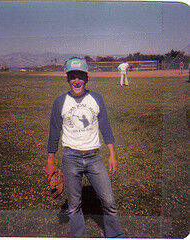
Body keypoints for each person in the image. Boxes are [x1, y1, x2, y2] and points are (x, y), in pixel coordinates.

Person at [45, 57, 124, 238]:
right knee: (74, 206)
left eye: (80, 76)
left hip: (94, 157)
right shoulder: (60, 102)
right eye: (72, 76)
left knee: (109, 201)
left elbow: (105, 127)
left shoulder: (96, 98)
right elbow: (54, 133)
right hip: (70, 158)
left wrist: (112, 154)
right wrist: (50, 161)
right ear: (67, 79)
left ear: (87, 78)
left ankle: (116, 236)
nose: (76, 81)